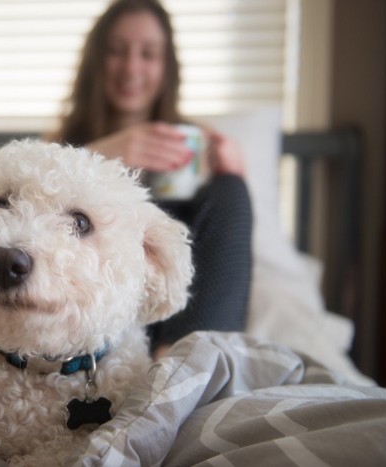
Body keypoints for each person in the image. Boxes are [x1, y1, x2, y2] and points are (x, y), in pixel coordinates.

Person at [47, 0, 252, 358]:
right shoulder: (59, 147)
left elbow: (225, 241)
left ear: (166, 66)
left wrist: (233, 170)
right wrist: (106, 153)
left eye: (148, 53)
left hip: (177, 319)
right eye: (117, 51)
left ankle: (184, 364)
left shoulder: (196, 141)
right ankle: (181, 374)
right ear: (97, 60)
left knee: (230, 190)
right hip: (100, 311)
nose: (131, 67)